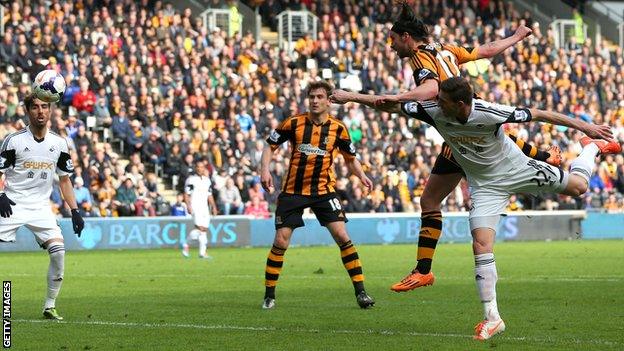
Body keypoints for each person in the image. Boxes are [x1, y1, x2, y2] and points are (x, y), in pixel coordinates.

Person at [348, 76, 618, 340]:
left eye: (443, 100)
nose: (436, 103)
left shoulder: (489, 112)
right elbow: (388, 104)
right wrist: (350, 97)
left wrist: (586, 128)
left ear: (462, 103)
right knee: (481, 243)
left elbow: (538, 114)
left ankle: (591, 149)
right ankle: (492, 318)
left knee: (579, 187)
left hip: (517, 170)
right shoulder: (432, 111)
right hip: (485, 186)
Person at [330, 3, 561, 293]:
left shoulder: (419, 58)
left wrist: (397, 98)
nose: (391, 47)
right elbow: (484, 51)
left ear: (405, 37)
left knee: (437, 196)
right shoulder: (445, 47)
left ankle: (424, 271)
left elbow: (431, 89)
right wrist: (515, 37)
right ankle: (545, 156)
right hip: (471, 117)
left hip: (458, 125)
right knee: (447, 183)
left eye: (392, 41)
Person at [259, 80, 375, 310]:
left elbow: (350, 159)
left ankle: (361, 293)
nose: (314, 100)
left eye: (319, 97)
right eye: (311, 96)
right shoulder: (293, 123)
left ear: (329, 100)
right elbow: (269, 145)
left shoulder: (338, 128)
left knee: (342, 236)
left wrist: (361, 176)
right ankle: (269, 295)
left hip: (323, 191)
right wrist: (264, 169)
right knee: (281, 241)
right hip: (293, 191)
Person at [0, 93, 84, 320]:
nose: (40, 111)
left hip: (40, 208)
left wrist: (75, 211)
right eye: (35, 107)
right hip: (12, 204)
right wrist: (1, 194)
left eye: (44, 107)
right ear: (27, 110)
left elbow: (64, 180)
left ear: (51, 110)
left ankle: (49, 306)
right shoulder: (13, 140)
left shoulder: (59, 143)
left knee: (59, 253)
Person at [182, 161, 218, 259]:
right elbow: (186, 193)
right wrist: (188, 205)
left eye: (202, 167)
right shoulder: (191, 180)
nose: (200, 169)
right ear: (195, 168)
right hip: (195, 206)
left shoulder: (207, 180)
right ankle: (186, 244)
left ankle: (202, 253)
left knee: (204, 230)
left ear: (204, 168)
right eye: (198, 167)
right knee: (200, 228)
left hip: (205, 208)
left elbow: (209, 194)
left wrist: (214, 206)